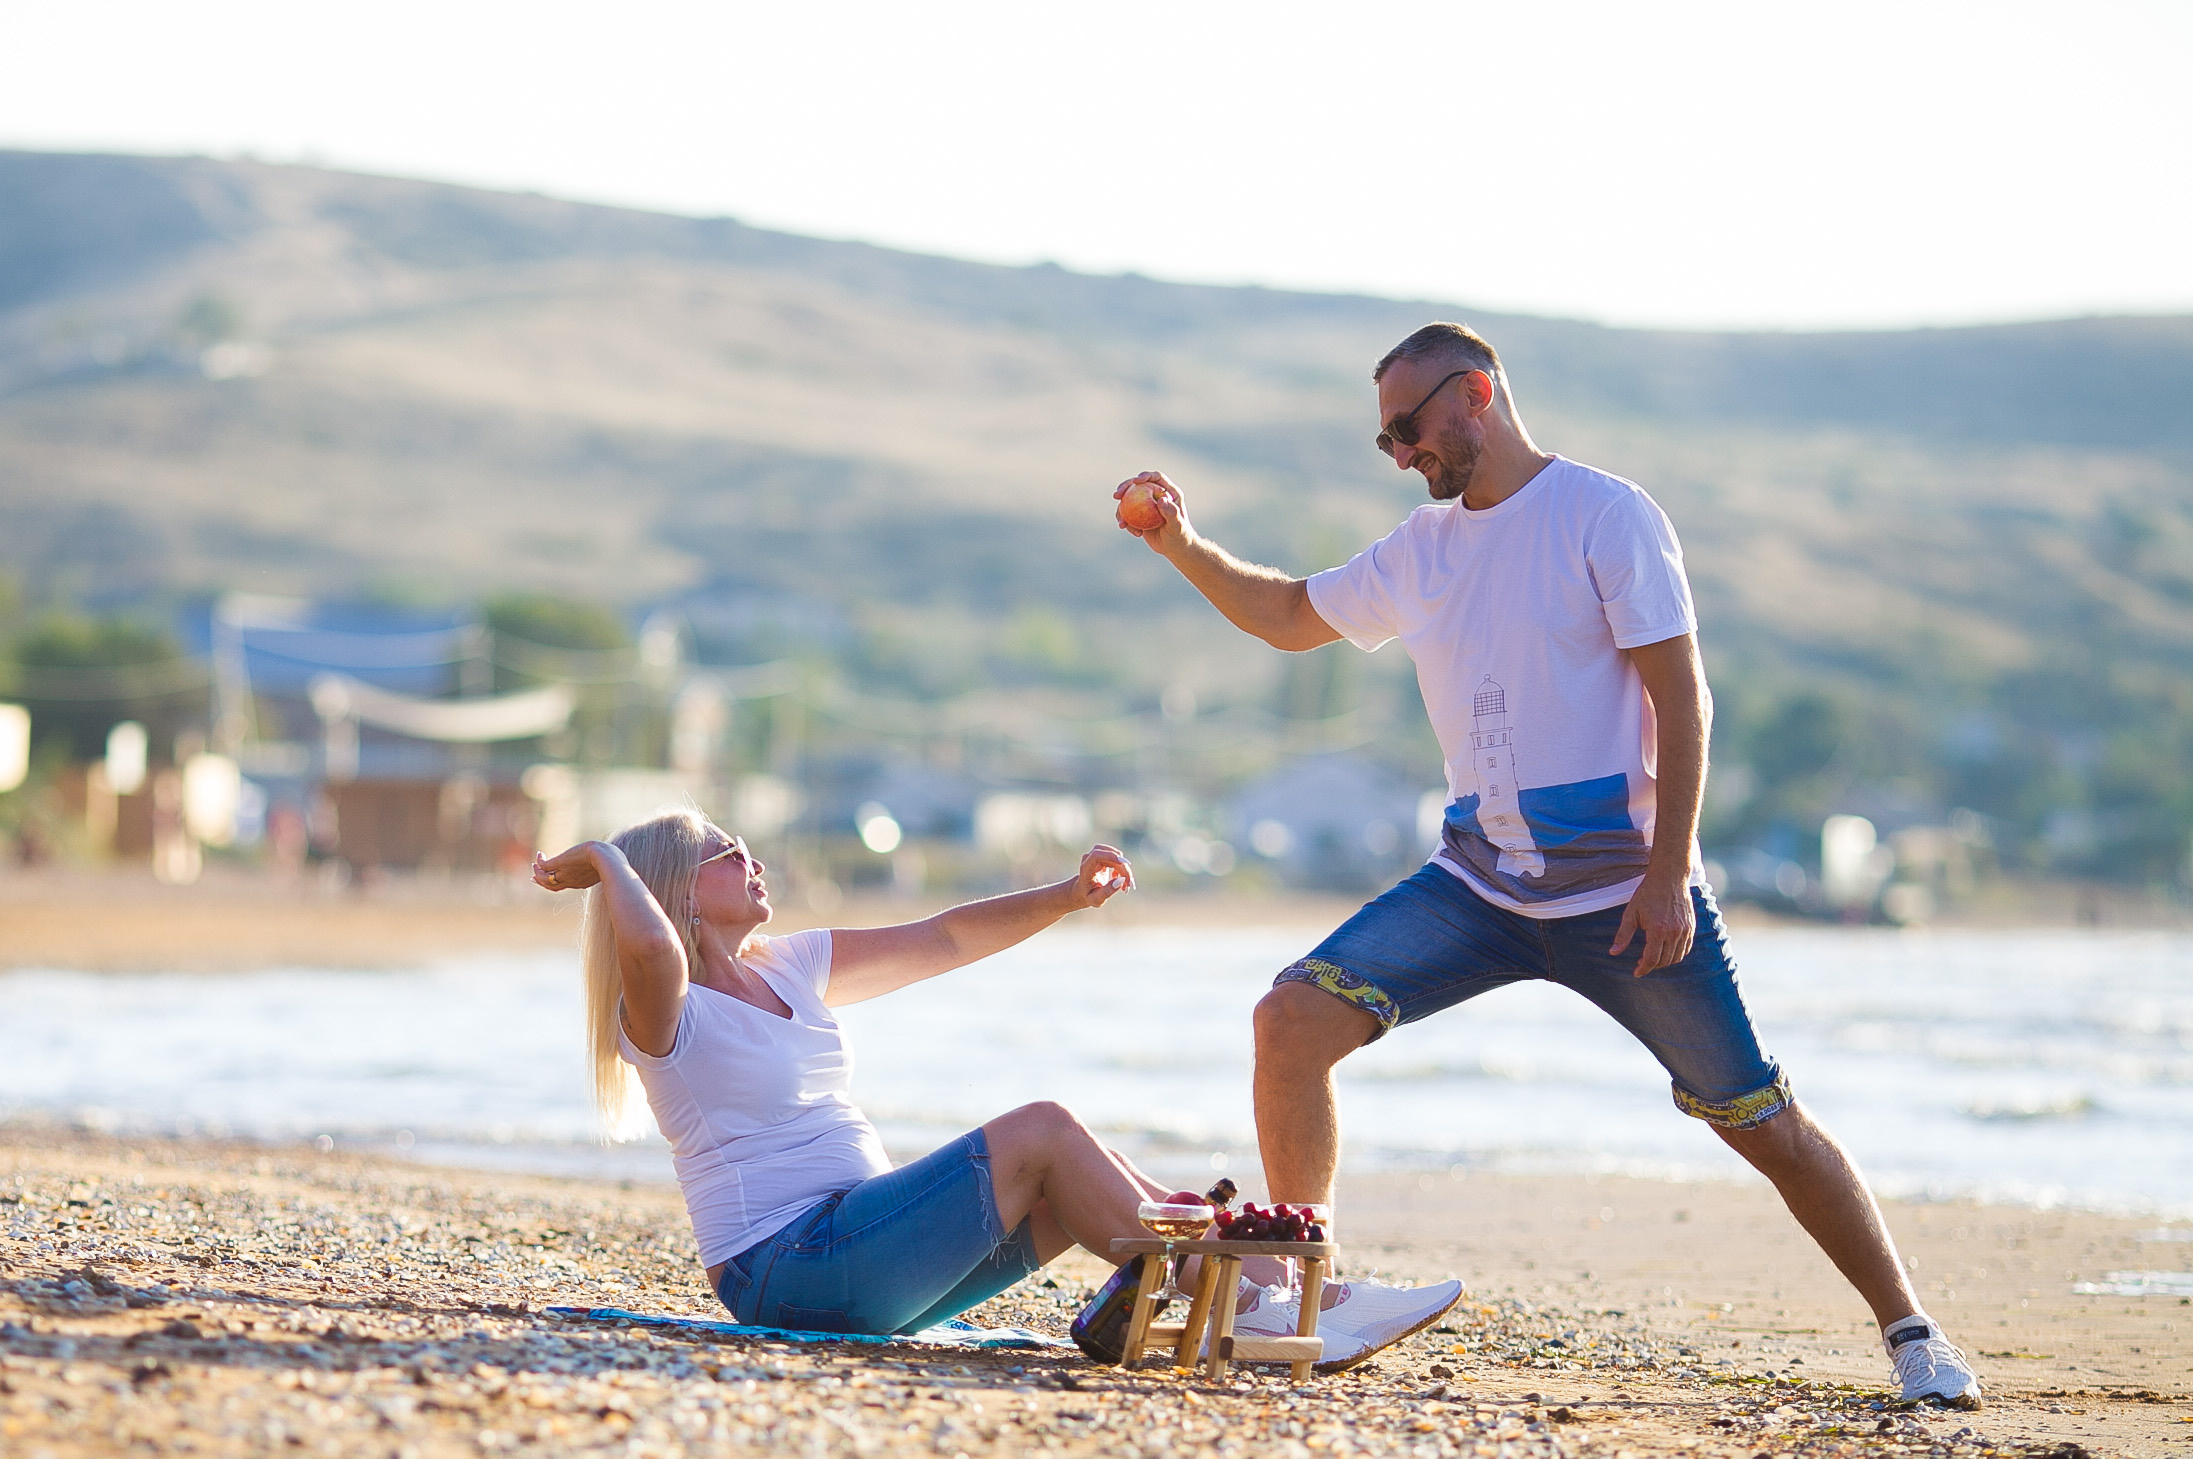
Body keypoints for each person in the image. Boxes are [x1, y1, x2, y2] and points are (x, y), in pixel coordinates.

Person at [1112, 321, 1983, 1409]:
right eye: (1383, 439)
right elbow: (1289, 615)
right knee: (1291, 1019)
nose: (1399, 454)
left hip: (1628, 895)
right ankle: (1311, 1295)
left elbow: (1683, 697)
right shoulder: (1423, 549)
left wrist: (1671, 874)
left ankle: (1913, 1331)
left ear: (1475, 393)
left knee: (1760, 1119)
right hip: (1479, 883)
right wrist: (1181, 542)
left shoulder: (1603, 516)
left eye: (1409, 427)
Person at [530, 808, 1452, 1365]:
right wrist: (606, 860)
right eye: (729, 852)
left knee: (1089, 1170)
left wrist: (1064, 894)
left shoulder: (789, 964)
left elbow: (944, 937)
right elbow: (646, 944)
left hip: (857, 1242)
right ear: (677, 891)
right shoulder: (664, 1010)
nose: (754, 859)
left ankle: (1272, 1299)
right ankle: (1273, 1305)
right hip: (788, 1266)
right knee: (1043, 1129)